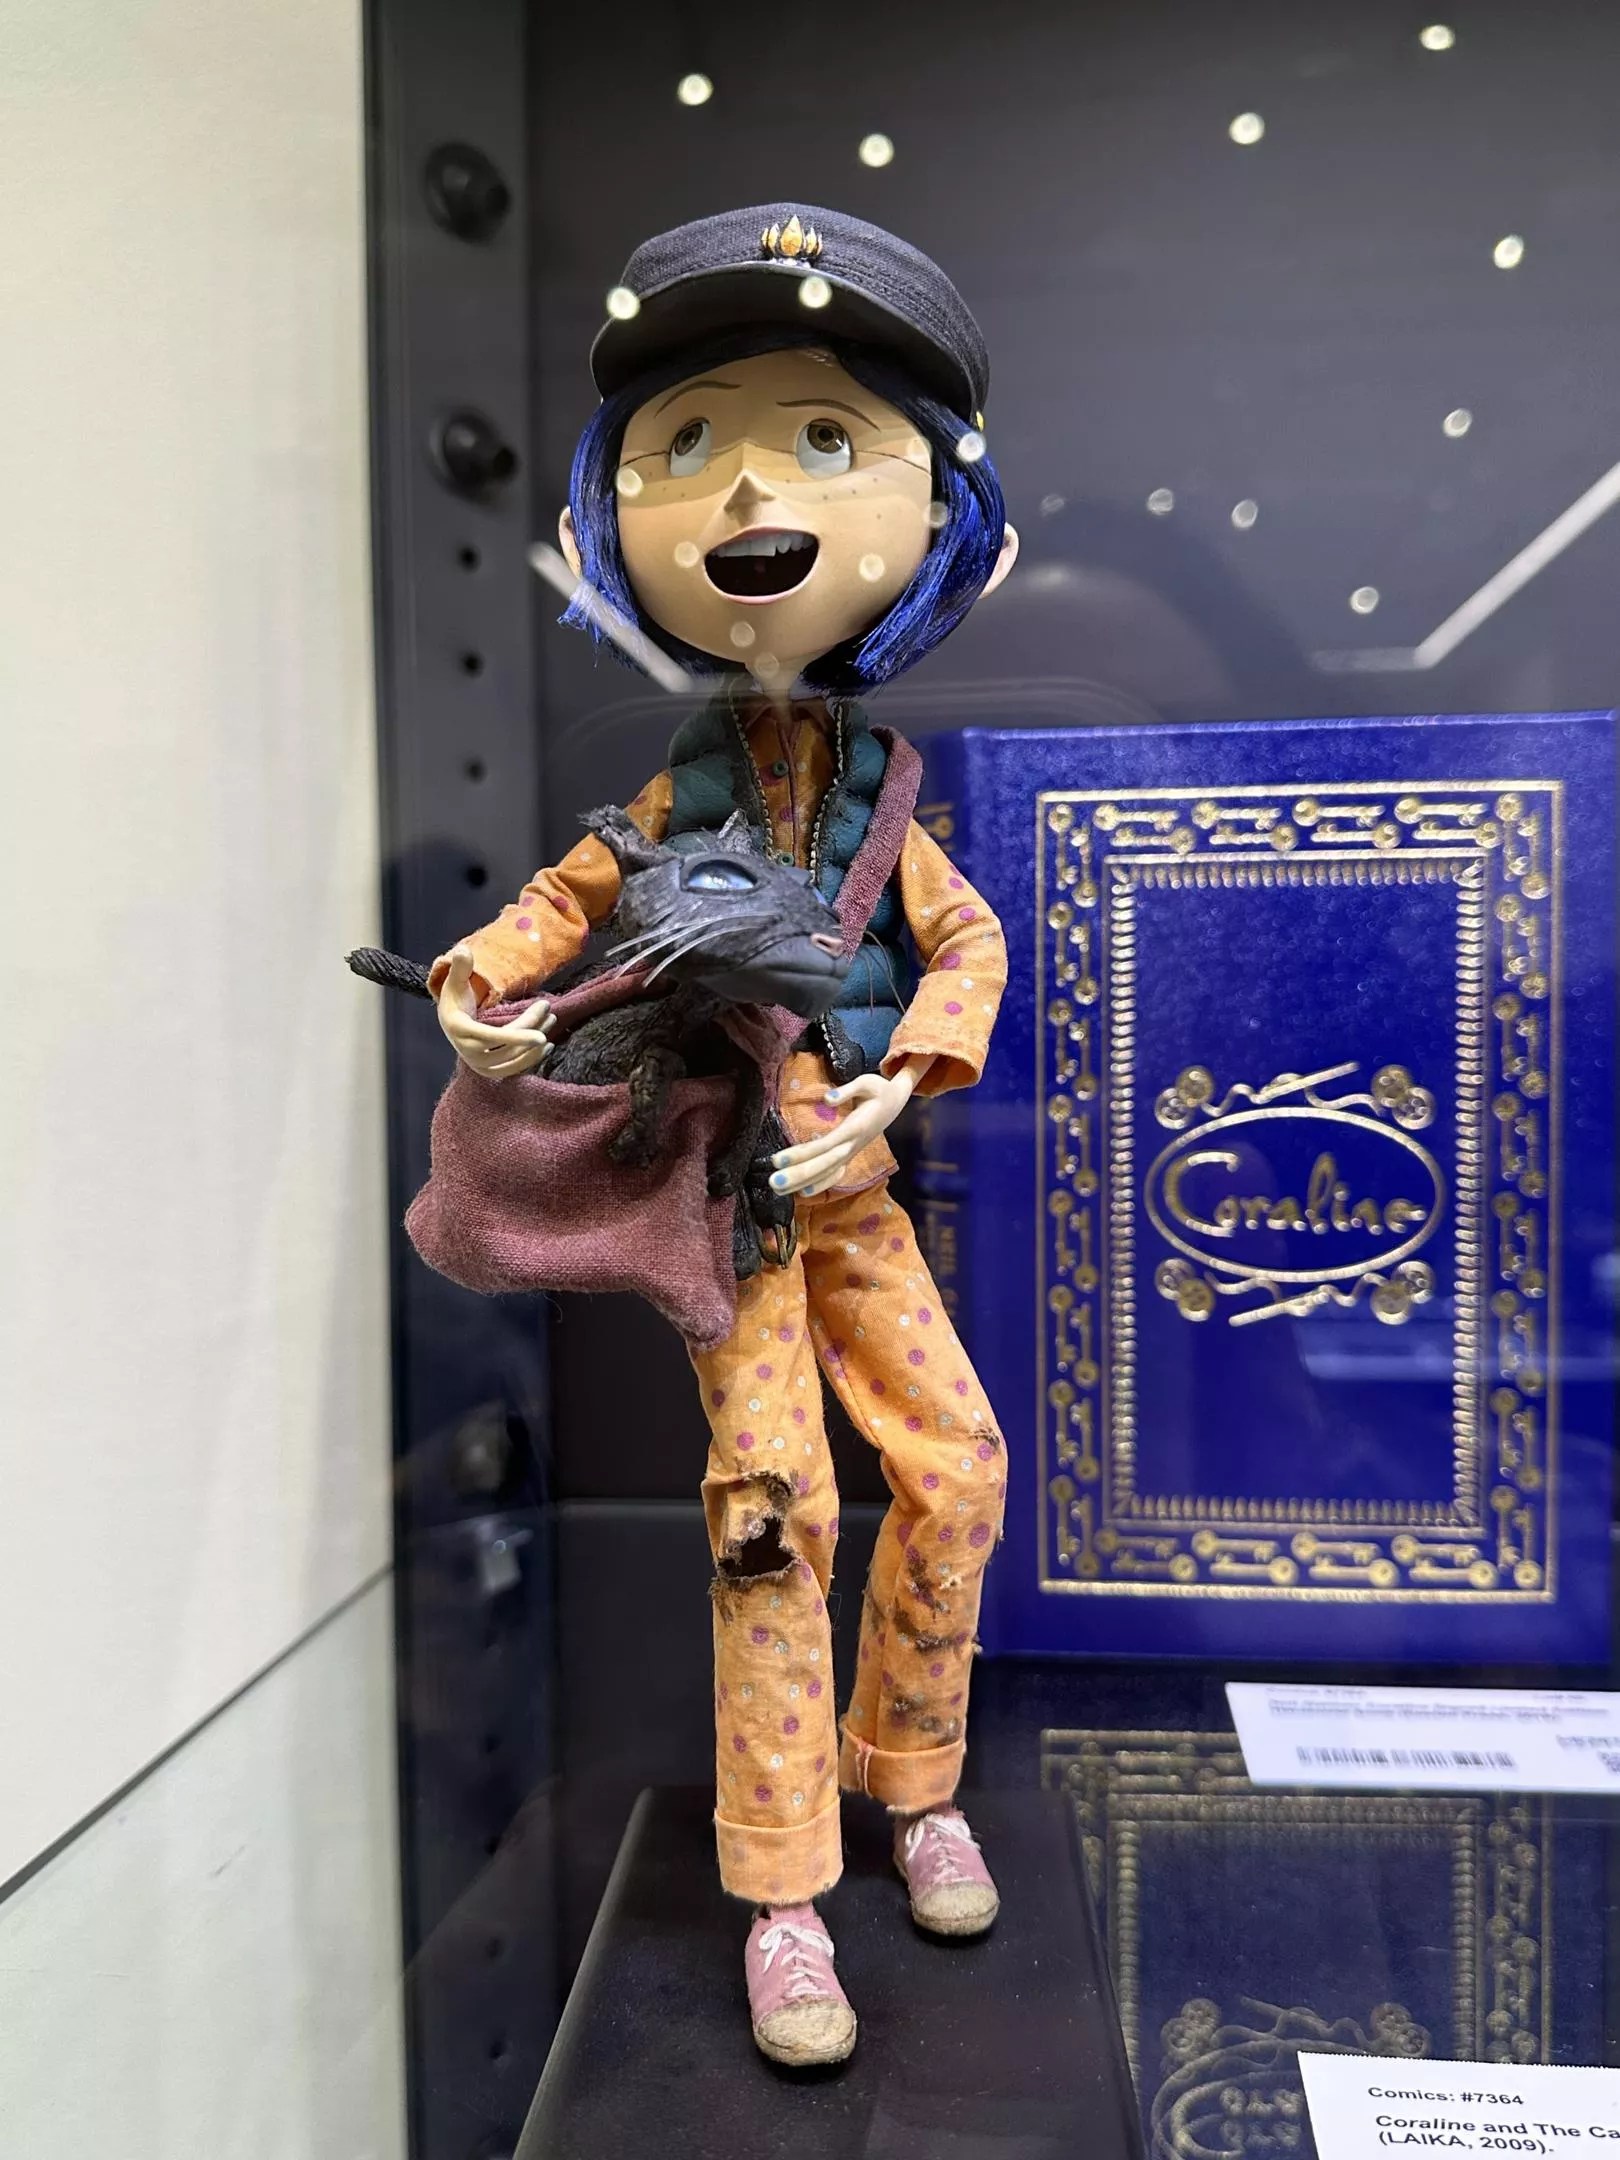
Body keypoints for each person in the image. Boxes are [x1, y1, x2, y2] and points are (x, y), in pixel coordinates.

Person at [429, 205, 1019, 2068]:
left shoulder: (887, 793)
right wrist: (478, 979)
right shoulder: (676, 790)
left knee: (959, 1465)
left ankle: (911, 1776)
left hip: (856, 1192)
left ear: (947, 508)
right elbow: (564, 894)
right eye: (688, 446)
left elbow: (967, 943)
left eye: (829, 439)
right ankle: (781, 1889)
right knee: (774, 1509)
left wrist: (906, 1081)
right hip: (733, 1206)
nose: (756, 489)